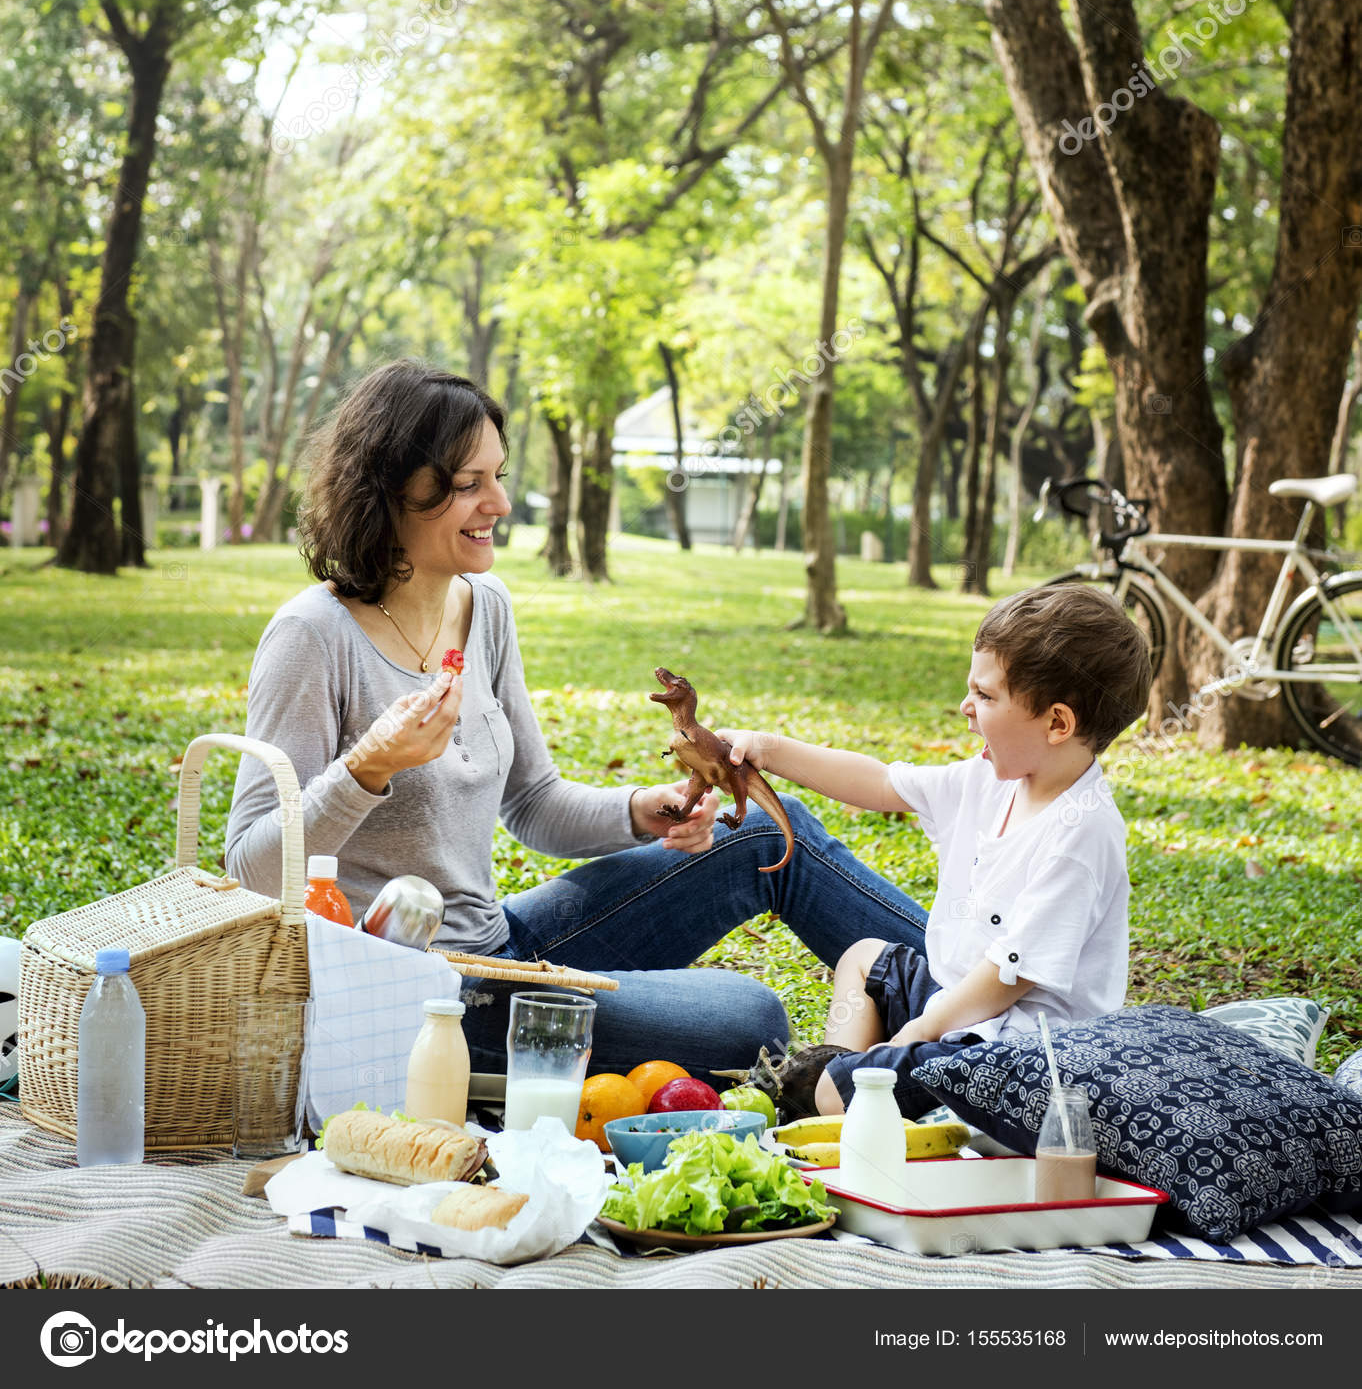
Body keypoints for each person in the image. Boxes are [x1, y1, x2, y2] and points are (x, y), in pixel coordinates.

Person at [225, 359, 937, 1085]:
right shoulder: (313, 637)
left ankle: (974, 1000)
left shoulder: (484, 607)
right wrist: (367, 767)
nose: (500, 502)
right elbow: (249, 869)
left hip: (499, 941)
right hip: (420, 995)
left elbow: (533, 802)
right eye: (469, 484)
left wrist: (641, 810)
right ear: (389, 489)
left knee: (760, 832)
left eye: (499, 476)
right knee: (752, 1019)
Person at [717, 582, 1152, 1118]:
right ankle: (841, 1085)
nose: (966, 708)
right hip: (959, 1009)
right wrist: (767, 748)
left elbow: (1010, 977)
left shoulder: (1081, 833)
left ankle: (835, 1096)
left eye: (985, 696)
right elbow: (880, 783)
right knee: (863, 960)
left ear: (1057, 723)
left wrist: (920, 1030)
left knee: (838, 1090)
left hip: (1016, 1058)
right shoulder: (988, 780)